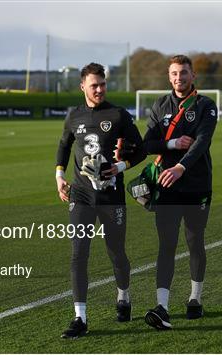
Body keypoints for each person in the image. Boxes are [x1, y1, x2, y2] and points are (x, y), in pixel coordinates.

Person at [55, 62, 146, 339]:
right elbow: (63, 145)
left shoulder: (118, 115)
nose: (99, 89)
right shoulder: (74, 116)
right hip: (81, 194)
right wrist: (59, 175)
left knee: (116, 252)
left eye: (102, 84)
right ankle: (80, 317)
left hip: (111, 196)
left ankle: (123, 296)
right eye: (93, 85)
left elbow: (140, 150)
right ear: (82, 86)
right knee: (78, 253)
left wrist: (119, 167)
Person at [142, 55, 218, 330]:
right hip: (167, 186)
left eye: (184, 73)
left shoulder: (205, 106)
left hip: (196, 185)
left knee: (195, 241)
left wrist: (181, 168)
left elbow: (201, 143)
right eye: (174, 74)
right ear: (169, 76)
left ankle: (195, 299)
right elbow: (147, 144)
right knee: (167, 244)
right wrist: (172, 144)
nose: (179, 78)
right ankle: (162, 306)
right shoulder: (160, 104)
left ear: (193, 75)